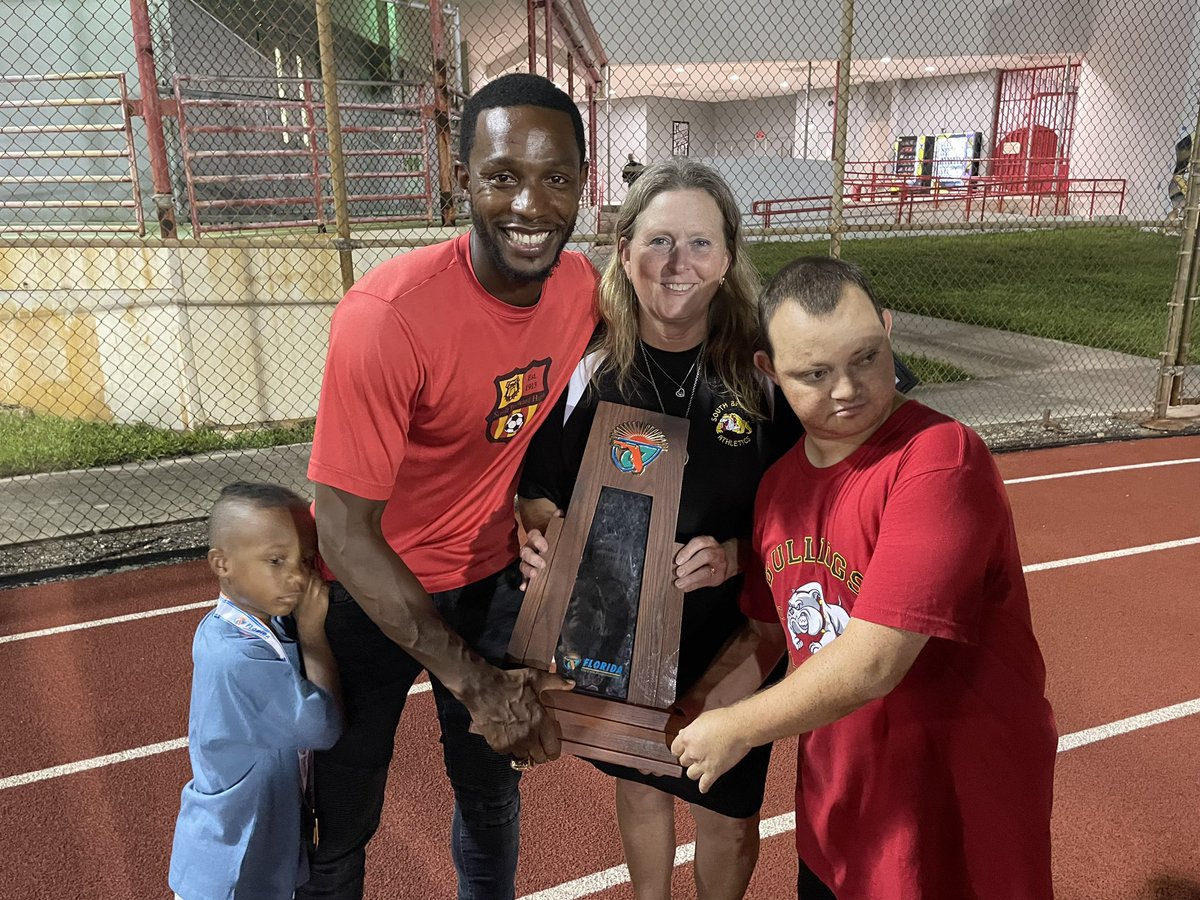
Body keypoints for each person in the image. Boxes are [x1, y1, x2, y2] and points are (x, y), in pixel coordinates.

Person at [671, 256, 1058, 899]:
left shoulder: (939, 459)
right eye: (815, 374)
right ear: (769, 371)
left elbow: (876, 659)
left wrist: (734, 726)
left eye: (866, 358)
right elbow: (769, 635)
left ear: (888, 327)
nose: (846, 389)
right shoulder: (777, 489)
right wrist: (691, 710)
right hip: (842, 807)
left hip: (950, 806)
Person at [301, 72, 597, 900]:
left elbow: (674, 340)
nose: (531, 206)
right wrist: (473, 681)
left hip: (490, 576)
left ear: (583, 180)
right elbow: (343, 532)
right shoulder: (386, 317)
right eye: (503, 175)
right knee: (346, 808)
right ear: (458, 172)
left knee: (492, 795)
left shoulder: (579, 290)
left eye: (556, 177)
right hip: (369, 593)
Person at [517, 159, 802, 900]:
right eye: (659, 241)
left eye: (699, 244)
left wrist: (736, 555)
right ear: (624, 249)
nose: (678, 264)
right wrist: (541, 529)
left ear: (729, 256)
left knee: (726, 813)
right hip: (620, 634)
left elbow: (812, 510)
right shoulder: (589, 367)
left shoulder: (763, 374)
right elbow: (540, 485)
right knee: (641, 786)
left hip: (733, 638)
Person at [169, 482, 342, 900]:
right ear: (221, 563)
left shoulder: (265, 623)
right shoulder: (234, 655)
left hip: (262, 837)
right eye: (275, 560)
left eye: (305, 560)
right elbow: (324, 727)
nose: (297, 576)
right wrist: (315, 636)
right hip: (232, 855)